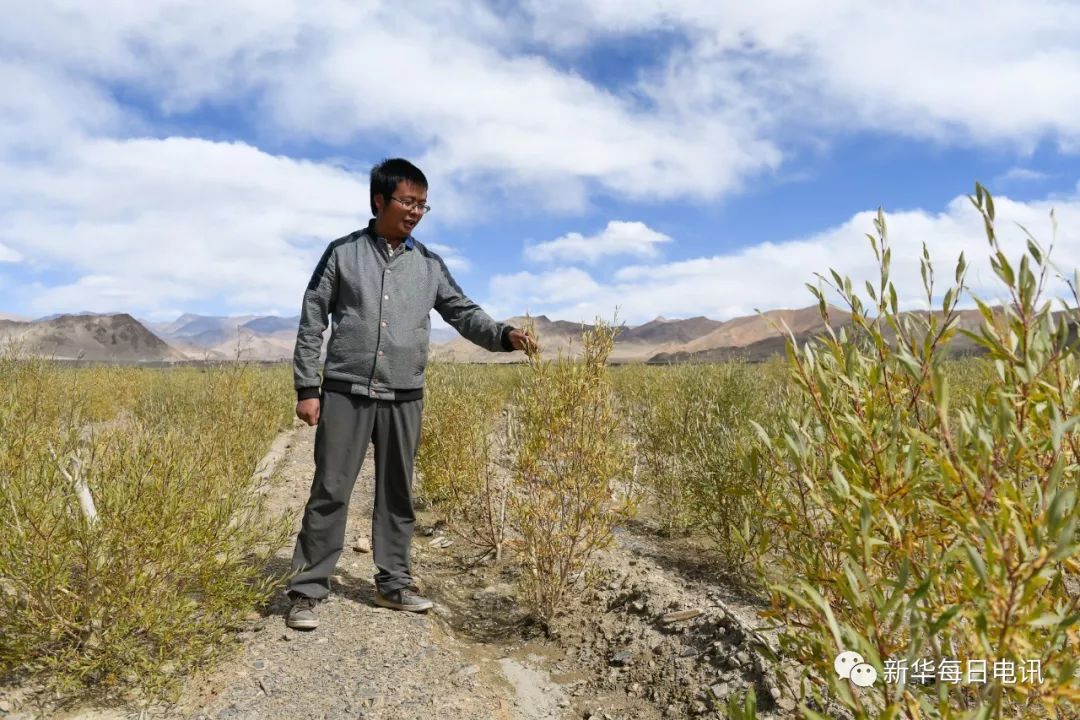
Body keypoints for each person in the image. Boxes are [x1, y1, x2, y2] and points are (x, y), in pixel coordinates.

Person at [285, 158, 533, 630]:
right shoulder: (342, 253)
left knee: (397, 494)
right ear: (380, 200)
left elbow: (463, 312)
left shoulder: (429, 265)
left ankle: (394, 583)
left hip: (405, 395)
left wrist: (503, 335)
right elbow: (313, 318)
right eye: (409, 201)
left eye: (423, 204)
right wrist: (306, 386)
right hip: (345, 391)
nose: (417, 211)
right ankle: (306, 590)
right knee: (331, 491)